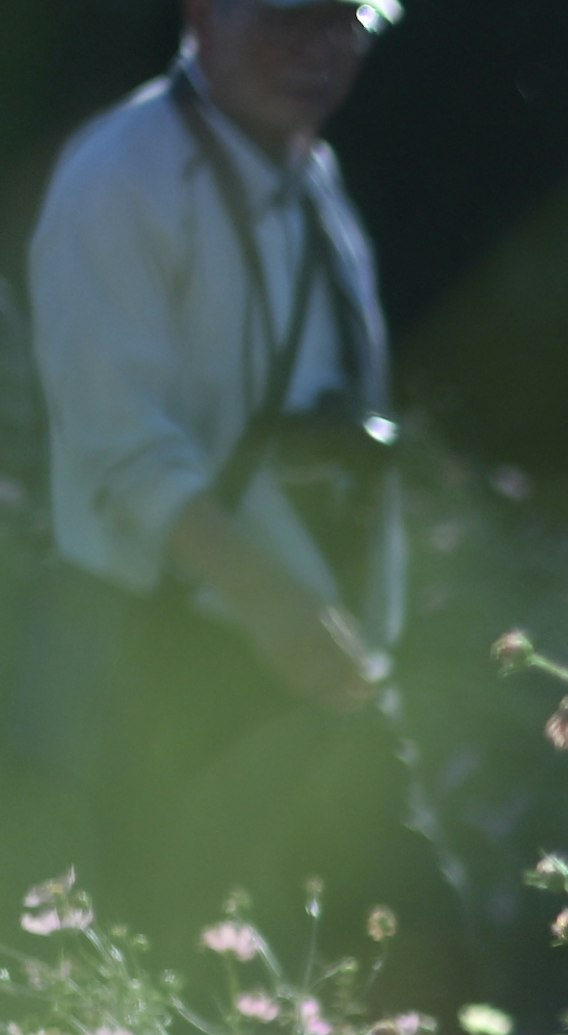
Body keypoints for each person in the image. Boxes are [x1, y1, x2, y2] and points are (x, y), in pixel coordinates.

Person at [14, 0, 457, 982]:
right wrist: (286, 614)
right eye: (287, 22)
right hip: (162, 645)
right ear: (202, 18)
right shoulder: (119, 177)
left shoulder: (309, 173)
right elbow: (120, 451)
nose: (317, 51)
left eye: (340, 24)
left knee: (401, 960)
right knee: (194, 968)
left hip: (299, 632)